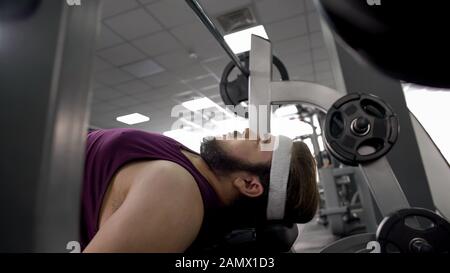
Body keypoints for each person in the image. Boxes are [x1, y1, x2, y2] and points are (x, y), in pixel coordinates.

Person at [81, 128, 319, 252]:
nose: (248, 131)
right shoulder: (198, 165)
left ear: (249, 184)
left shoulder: (177, 197)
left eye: (260, 142)